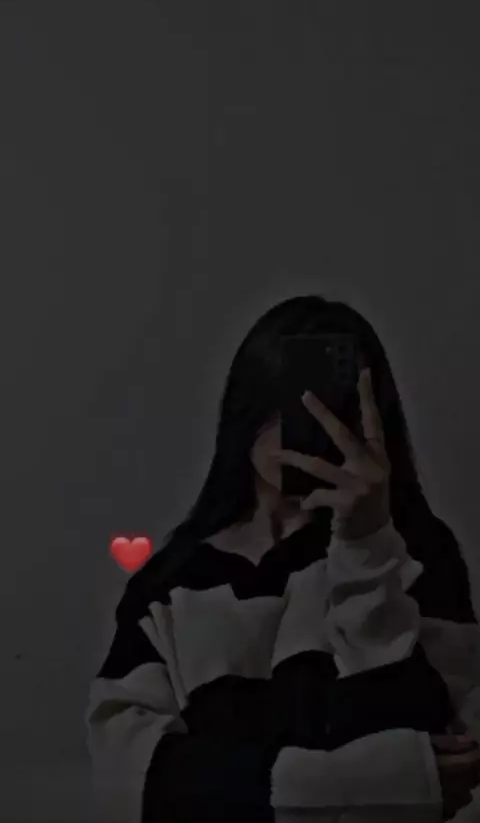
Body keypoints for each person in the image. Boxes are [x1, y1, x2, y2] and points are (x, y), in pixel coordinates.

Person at [87, 295, 480, 823]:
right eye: (287, 396)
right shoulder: (169, 583)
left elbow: (442, 751)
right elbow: (131, 781)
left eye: (332, 401)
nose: (304, 421)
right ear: (247, 403)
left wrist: (366, 545)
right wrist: (354, 785)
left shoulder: (415, 551)